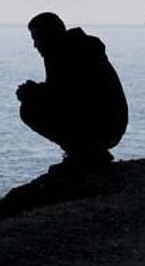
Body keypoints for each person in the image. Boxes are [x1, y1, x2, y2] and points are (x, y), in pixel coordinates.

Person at [17, 12, 128, 166]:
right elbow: (65, 90)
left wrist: (34, 93)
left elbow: (70, 97)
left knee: (30, 110)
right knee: (33, 104)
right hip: (109, 124)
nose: (35, 45)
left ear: (50, 35)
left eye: (37, 39)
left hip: (103, 126)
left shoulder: (66, 54)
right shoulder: (72, 48)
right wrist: (36, 90)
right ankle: (86, 152)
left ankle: (85, 154)